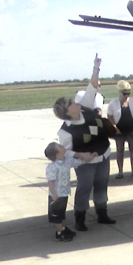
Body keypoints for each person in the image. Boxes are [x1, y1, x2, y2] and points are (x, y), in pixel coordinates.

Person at [53, 54, 116, 232]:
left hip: (103, 156)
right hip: (85, 164)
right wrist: (83, 156)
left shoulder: (86, 109)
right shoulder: (65, 131)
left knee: (101, 186)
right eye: (72, 103)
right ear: (67, 111)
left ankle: (102, 213)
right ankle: (80, 218)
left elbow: (92, 86)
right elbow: (66, 152)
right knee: (84, 189)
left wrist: (96, 68)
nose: (76, 102)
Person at [44, 142, 95, 242]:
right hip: (57, 195)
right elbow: (50, 181)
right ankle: (59, 234)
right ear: (58, 154)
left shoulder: (66, 160)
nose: (63, 147)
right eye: (60, 147)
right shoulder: (52, 167)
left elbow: (78, 162)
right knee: (57, 215)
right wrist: (53, 194)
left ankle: (63, 228)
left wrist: (89, 158)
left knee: (62, 213)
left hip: (64, 192)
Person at [107, 80, 133, 179]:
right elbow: (110, 116)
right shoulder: (113, 103)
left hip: (131, 129)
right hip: (119, 130)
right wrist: (114, 127)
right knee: (120, 150)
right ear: (119, 92)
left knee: (132, 150)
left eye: (128, 93)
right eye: (124, 93)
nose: (126, 95)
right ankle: (120, 171)